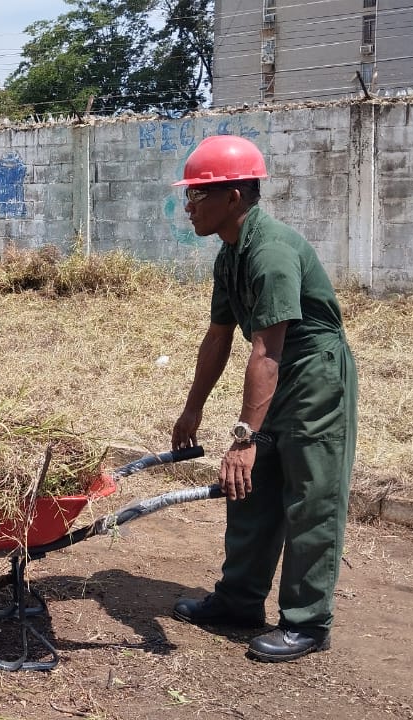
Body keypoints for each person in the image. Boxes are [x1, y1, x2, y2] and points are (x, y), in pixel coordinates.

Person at [167, 135, 358, 663]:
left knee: (310, 500)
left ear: (234, 198)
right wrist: (193, 407)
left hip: (314, 379)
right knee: (250, 490)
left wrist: (244, 437)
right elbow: (218, 336)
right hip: (274, 374)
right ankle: (239, 600)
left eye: (198, 195)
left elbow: (267, 351)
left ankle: (307, 623)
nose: (189, 206)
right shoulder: (231, 254)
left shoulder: (271, 251)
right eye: (189, 195)